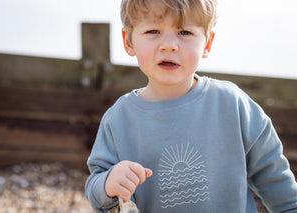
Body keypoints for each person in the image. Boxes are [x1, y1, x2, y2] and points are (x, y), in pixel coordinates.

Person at [85, 0, 297, 212]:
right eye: (153, 31)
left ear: (207, 43)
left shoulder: (232, 104)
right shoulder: (119, 119)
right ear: (129, 41)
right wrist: (108, 183)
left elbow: (277, 182)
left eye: (184, 32)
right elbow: (96, 192)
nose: (169, 45)